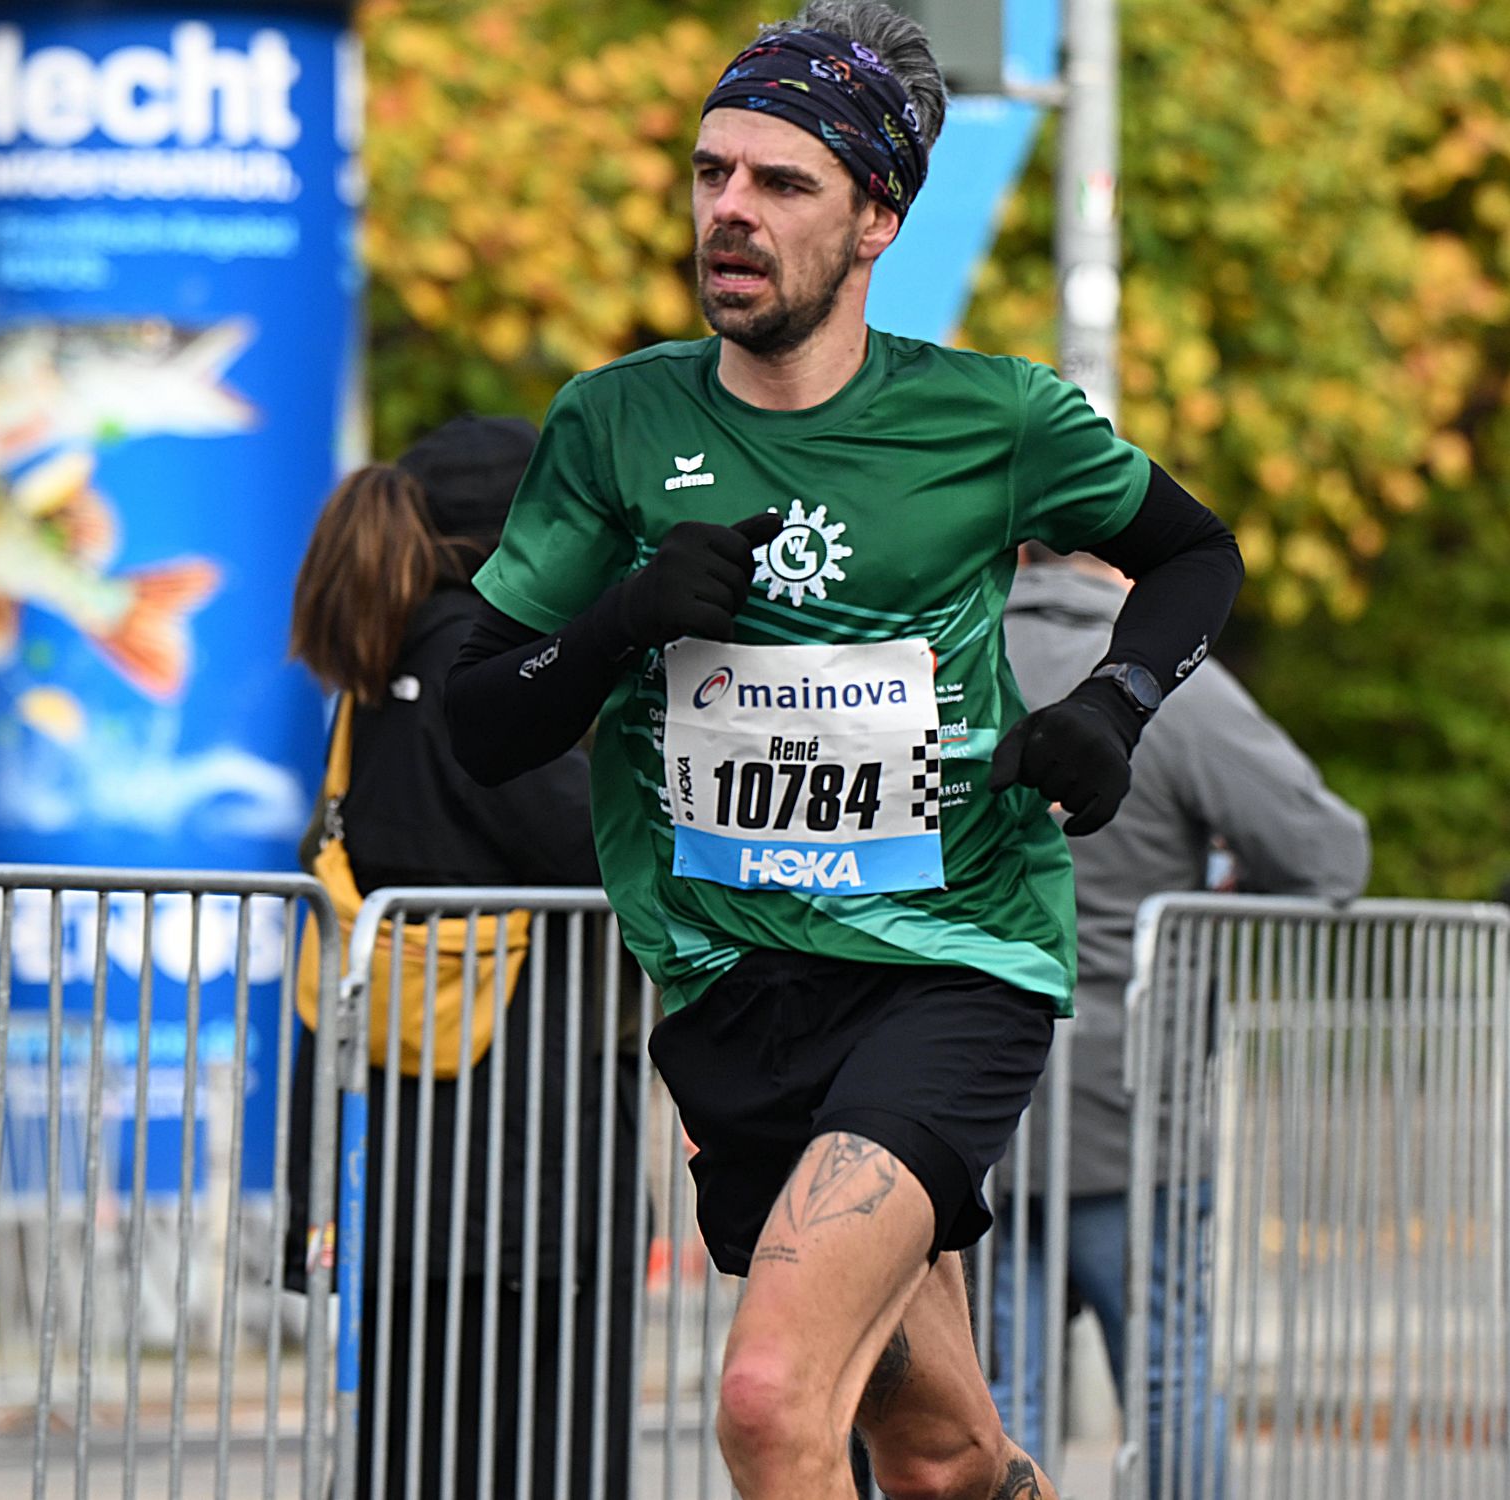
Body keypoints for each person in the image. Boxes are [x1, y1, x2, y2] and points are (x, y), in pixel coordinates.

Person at [443, 4, 1244, 1495]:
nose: (728, 211)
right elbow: (481, 722)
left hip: (949, 961)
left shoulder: (992, 417)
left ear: (875, 218)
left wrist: (1112, 704)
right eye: (710, 173)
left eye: (780, 182)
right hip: (728, 986)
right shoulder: (615, 424)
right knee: (938, 1460)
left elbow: (1197, 555)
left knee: (767, 1399)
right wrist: (622, 616)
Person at [285, 415, 642, 1500]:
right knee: (532, 1450)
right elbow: (601, 848)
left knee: (413, 1444)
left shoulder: (384, 665)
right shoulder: (474, 676)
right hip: (514, 1161)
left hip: (411, 1157)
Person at [989, 544, 1370, 1499]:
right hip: (1131, 1110)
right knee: (1166, 1380)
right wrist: (1218, 891)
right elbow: (1328, 853)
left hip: (964, 1105)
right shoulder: (1165, 687)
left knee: (990, 1400)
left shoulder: (948, 663)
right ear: (1134, 557)